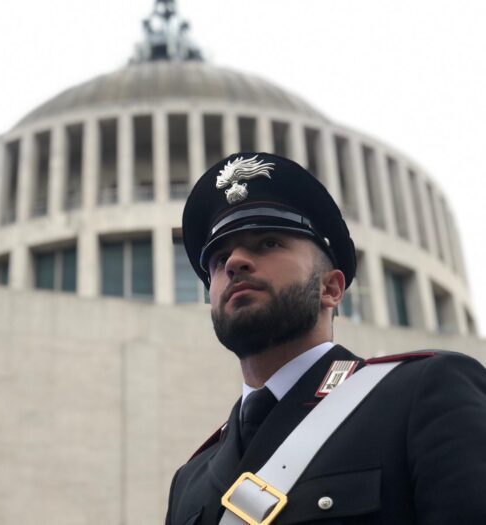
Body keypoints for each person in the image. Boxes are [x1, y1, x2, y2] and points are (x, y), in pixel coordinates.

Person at [166, 152, 486, 525]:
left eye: (267, 243)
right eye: (219, 259)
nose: (235, 261)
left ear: (331, 288)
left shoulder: (424, 392)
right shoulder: (190, 478)